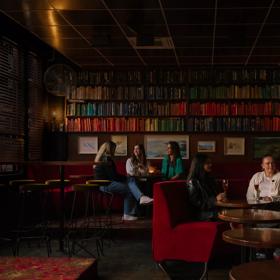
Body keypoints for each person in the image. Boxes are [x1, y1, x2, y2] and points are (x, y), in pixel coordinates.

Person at [94, 141, 138, 221]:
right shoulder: (107, 159)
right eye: (114, 149)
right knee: (129, 189)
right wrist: (125, 178)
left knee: (130, 184)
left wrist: (125, 178)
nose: (114, 151)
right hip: (106, 184)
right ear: (109, 149)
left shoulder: (101, 158)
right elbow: (113, 177)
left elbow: (113, 175)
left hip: (102, 184)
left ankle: (131, 212)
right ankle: (127, 214)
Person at [187, 153, 226, 221]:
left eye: (210, 163)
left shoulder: (210, 179)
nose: (211, 165)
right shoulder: (193, 182)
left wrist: (221, 198)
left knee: (232, 212)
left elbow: (216, 196)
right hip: (201, 214)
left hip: (213, 209)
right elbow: (196, 204)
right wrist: (215, 199)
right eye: (207, 163)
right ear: (199, 165)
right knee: (225, 214)